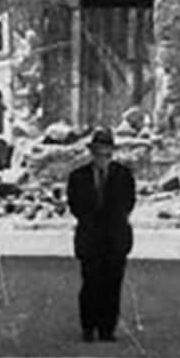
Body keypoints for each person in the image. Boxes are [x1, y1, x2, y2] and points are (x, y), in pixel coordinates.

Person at [66, 126, 136, 343]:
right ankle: (88, 327)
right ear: (92, 153)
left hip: (115, 238)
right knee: (90, 284)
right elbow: (75, 205)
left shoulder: (124, 176)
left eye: (106, 154)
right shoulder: (78, 177)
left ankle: (107, 329)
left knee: (112, 285)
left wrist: (112, 220)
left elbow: (128, 203)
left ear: (112, 154)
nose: (102, 158)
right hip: (90, 238)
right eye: (98, 153)